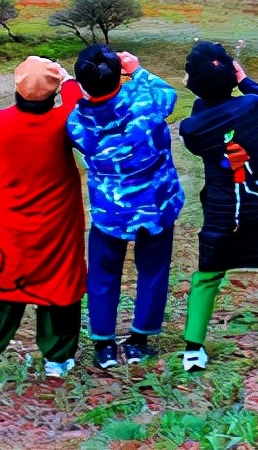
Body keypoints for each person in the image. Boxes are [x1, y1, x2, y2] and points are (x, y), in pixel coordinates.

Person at [177, 41, 258, 372]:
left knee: (209, 273)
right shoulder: (252, 107)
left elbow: (201, 127)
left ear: (193, 84)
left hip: (224, 211)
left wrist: (204, 96)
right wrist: (244, 80)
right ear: (232, 78)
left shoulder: (192, 128)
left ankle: (194, 349)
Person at [0, 56, 86, 383]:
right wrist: (68, 81)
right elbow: (79, 108)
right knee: (59, 281)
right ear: (53, 93)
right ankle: (57, 360)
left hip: (9, 220)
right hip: (56, 221)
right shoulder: (64, 121)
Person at [67, 45, 184, 369]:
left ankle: (104, 346)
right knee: (153, 271)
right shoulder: (145, 100)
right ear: (120, 74)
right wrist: (137, 68)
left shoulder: (77, 122)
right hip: (156, 205)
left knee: (103, 275)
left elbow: (79, 128)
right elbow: (169, 94)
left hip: (110, 212)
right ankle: (138, 342)